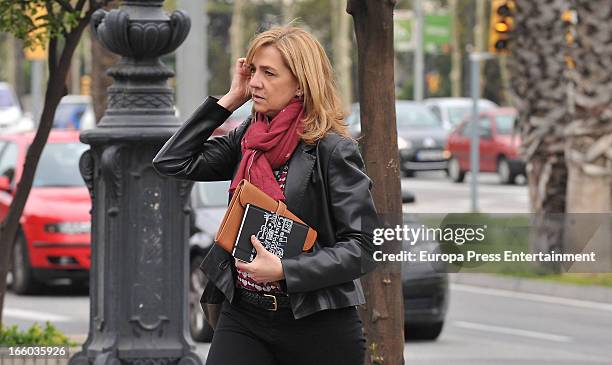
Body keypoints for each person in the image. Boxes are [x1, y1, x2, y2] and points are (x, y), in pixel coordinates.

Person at [153, 26, 379, 365]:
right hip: (244, 315)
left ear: (301, 83)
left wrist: (287, 269)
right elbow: (173, 161)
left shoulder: (332, 150)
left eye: (268, 73)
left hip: (317, 323)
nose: (255, 81)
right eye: (253, 70)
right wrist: (229, 100)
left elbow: (363, 247)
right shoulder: (248, 137)